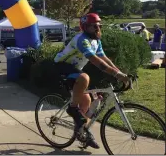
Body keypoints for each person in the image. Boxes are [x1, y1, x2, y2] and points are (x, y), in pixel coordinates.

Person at [54, 13, 129, 149]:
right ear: (85, 27)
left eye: (98, 25)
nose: (97, 28)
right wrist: (117, 75)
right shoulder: (82, 39)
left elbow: (105, 59)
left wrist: (120, 73)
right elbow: (96, 62)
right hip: (62, 65)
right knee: (84, 77)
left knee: (87, 101)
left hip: (75, 69)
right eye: (93, 26)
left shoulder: (96, 40)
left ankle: (83, 132)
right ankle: (72, 109)